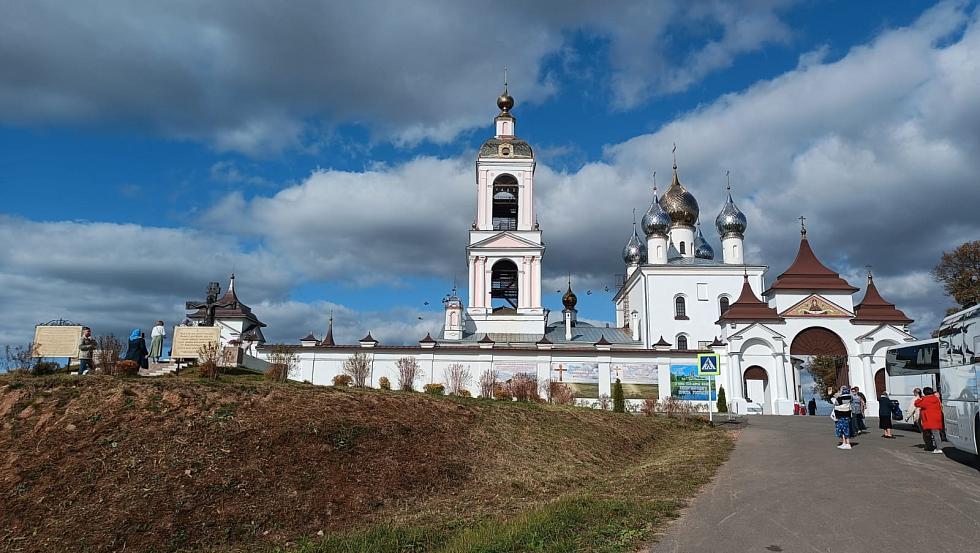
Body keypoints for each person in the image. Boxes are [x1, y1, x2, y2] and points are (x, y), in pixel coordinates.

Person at [914, 387, 944, 454]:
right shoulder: (936, 398)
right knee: (936, 433)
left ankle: (935, 447)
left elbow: (917, 404)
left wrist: (919, 398)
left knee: (927, 433)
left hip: (928, 418)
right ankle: (938, 447)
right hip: (937, 417)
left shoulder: (925, 399)